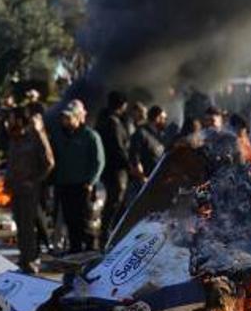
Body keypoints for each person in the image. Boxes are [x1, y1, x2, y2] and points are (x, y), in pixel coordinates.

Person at [49, 100, 104, 253]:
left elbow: (99, 162)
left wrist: (91, 182)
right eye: (63, 117)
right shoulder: (59, 136)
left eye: (69, 117)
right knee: (70, 220)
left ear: (79, 117)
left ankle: (90, 251)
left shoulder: (90, 136)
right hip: (64, 184)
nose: (65, 120)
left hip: (83, 186)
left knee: (85, 221)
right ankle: (75, 249)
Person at [5, 108, 54, 274]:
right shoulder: (14, 138)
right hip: (15, 189)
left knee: (28, 227)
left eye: (12, 119)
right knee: (20, 225)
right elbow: (11, 162)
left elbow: (49, 162)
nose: (9, 122)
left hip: (29, 190)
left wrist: (34, 181)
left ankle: (31, 259)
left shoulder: (34, 138)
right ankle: (24, 257)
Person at [96, 90, 130, 238]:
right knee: (115, 201)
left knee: (115, 201)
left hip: (110, 168)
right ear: (121, 105)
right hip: (116, 169)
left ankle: (109, 232)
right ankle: (107, 233)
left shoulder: (104, 119)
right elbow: (118, 148)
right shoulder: (113, 122)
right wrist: (130, 166)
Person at [129, 104, 168, 189]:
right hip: (142, 186)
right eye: (163, 118)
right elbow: (135, 158)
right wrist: (142, 178)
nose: (165, 121)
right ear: (157, 118)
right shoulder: (141, 134)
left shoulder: (158, 136)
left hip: (156, 183)